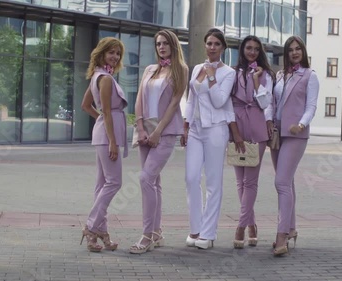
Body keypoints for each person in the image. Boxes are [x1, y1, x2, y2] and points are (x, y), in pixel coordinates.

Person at [129, 29, 189, 254]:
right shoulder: (150, 69)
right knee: (154, 182)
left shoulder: (181, 69)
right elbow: (138, 99)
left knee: (146, 179)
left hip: (165, 130)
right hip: (145, 128)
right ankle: (157, 232)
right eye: (158, 44)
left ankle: (146, 236)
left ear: (173, 45)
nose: (161, 47)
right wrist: (141, 126)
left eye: (165, 43)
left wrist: (157, 132)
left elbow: (174, 104)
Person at [181, 28, 236, 249]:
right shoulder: (196, 68)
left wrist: (212, 76)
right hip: (195, 129)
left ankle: (208, 233)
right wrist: (185, 125)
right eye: (209, 43)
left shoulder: (228, 73)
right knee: (191, 178)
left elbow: (220, 101)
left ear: (222, 48)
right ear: (205, 45)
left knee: (213, 182)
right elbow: (191, 99)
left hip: (216, 129)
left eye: (216, 44)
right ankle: (195, 228)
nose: (212, 47)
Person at [270, 35, 319, 256]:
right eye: (290, 50)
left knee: (280, 182)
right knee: (287, 183)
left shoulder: (310, 76)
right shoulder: (280, 75)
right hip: (277, 134)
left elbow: (311, 106)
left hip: (296, 134)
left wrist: (301, 124)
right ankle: (291, 228)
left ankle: (281, 236)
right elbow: (273, 102)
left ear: (304, 51)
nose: (294, 52)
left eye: (298, 49)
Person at [80, 37, 128, 252]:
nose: (115, 56)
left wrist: (100, 120)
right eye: (111, 52)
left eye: (118, 53)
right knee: (114, 183)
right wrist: (112, 141)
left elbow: (86, 106)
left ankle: (101, 233)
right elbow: (107, 112)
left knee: (102, 186)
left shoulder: (97, 76)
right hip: (108, 136)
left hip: (101, 134)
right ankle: (91, 227)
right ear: (101, 54)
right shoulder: (105, 79)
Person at [228, 35, 275, 249]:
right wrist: (234, 132)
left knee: (250, 181)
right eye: (249, 48)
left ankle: (240, 226)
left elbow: (266, 102)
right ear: (242, 49)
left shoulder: (266, 75)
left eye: (256, 49)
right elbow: (227, 102)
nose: (252, 52)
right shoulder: (233, 73)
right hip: (237, 124)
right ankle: (252, 224)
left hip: (257, 124)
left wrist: (257, 82)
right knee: (240, 181)